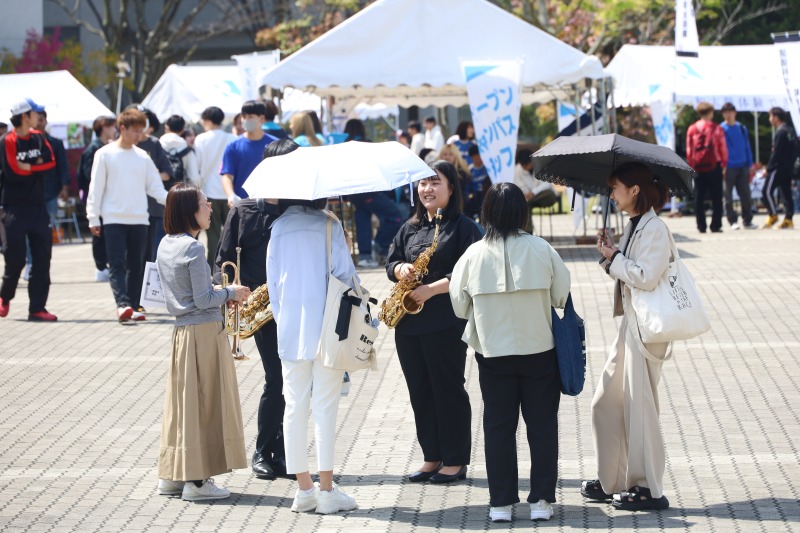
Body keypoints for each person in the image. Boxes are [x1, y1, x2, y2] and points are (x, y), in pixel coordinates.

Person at [450, 182, 570, 523]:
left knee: (498, 428)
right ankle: (541, 501)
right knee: (542, 427)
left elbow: (459, 306)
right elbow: (562, 295)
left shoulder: (473, 254)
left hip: (493, 353)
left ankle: (501, 502)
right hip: (539, 351)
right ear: (522, 212)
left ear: (487, 212)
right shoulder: (541, 248)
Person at [385, 160, 482, 485]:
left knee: (447, 389)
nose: (427, 188)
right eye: (423, 183)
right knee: (420, 391)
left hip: (445, 321)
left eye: (435, 182)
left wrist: (430, 290)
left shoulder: (464, 227)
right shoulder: (409, 226)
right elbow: (391, 260)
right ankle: (432, 456)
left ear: (451, 188)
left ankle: (455, 461)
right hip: (408, 325)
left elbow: (471, 271)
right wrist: (400, 269)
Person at [586, 161, 673, 511]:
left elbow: (646, 277)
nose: (611, 194)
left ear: (634, 190)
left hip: (647, 327)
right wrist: (610, 257)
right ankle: (613, 479)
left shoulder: (654, 228)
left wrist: (617, 257)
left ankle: (648, 488)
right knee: (606, 400)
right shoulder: (636, 226)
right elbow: (628, 272)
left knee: (640, 409)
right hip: (632, 325)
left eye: (615, 188)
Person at [155, 182, 249, 501]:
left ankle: (173, 474)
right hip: (203, 333)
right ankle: (197, 481)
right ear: (189, 211)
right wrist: (231, 293)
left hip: (182, 332)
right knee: (206, 403)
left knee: (183, 403)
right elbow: (203, 297)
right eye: (204, 203)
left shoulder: (166, 243)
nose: (210, 207)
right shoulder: (193, 247)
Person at [266, 196, 359, 515]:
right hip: (329, 330)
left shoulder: (278, 228)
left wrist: (286, 320)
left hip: (291, 330)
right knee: (325, 409)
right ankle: (328, 490)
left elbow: (272, 288)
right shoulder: (329, 226)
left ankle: (304, 488)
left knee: (293, 406)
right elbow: (348, 281)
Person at [214, 139, 299, 482]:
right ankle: (265, 452)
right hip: (261, 309)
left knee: (294, 382)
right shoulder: (244, 210)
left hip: (297, 306)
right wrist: (232, 294)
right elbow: (222, 261)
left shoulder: (302, 211)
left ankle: (284, 453)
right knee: (277, 379)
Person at [86, 109, 168, 322]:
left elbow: (156, 189)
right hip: (113, 218)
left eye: (141, 131)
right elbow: (96, 188)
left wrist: (176, 201)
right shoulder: (104, 154)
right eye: (135, 131)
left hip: (140, 218)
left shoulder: (143, 157)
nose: (139, 135)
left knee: (137, 264)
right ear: (122, 129)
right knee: (116, 263)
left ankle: (133, 305)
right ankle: (122, 304)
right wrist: (93, 218)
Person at [0, 98, 58, 321]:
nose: (38, 116)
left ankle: (37, 308)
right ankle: (5, 296)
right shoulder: (7, 140)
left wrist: (31, 167)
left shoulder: (38, 137)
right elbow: (13, 172)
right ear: (25, 116)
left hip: (38, 208)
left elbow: (50, 162)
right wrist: (36, 167)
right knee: (16, 259)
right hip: (13, 208)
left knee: (43, 258)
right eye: (35, 113)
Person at [344, 120, 405, 268]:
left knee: (362, 220)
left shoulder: (344, 146)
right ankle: (378, 245)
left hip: (353, 192)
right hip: (370, 190)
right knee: (395, 217)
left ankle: (365, 254)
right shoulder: (367, 144)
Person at [127, 106, 174, 265]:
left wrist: (149, 177)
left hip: (153, 208)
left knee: (151, 254)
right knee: (132, 256)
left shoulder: (153, 144)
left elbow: (167, 173)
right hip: (129, 209)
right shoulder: (118, 149)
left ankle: (148, 287)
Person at [194, 106, 237, 266]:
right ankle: (230, 265)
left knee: (212, 234)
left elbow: (197, 166)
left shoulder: (201, 139)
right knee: (231, 234)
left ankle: (213, 267)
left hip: (208, 194)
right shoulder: (232, 138)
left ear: (207, 120)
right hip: (229, 192)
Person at [77, 115, 117, 281]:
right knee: (98, 233)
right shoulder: (94, 149)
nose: (115, 130)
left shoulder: (108, 147)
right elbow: (88, 175)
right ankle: (101, 267)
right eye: (112, 127)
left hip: (107, 197)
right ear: (103, 128)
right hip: (97, 198)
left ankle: (103, 266)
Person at [221, 100, 278, 208]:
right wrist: (231, 195)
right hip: (243, 205)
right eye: (244, 116)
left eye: (250, 116)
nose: (246, 120)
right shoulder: (233, 146)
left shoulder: (275, 145)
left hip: (270, 205)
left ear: (261, 118)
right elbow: (226, 175)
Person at [686, 102, 728, 233]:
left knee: (699, 198)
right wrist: (724, 164)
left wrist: (692, 164)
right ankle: (715, 225)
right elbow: (722, 147)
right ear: (710, 112)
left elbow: (689, 149)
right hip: (714, 166)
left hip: (698, 166)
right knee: (717, 196)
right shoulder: (716, 128)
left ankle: (701, 225)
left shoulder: (692, 128)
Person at [720, 103, 756, 230]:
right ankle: (732, 221)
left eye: (730, 111)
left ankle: (747, 220)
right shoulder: (721, 128)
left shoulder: (742, 128)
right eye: (725, 112)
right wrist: (722, 165)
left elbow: (747, 147)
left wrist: (750, 164)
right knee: (728, 196)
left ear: (735, 112)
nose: (728, 114)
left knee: (746, 195)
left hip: (743, 166)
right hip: (728, 167)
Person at [762, 107, 796, 229]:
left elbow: (776, 153)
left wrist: (768, 169)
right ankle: (788, 219)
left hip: (778, 168)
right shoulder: (790, 130)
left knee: (766, 192)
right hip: (788, 168)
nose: (769, 119)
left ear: (776, 117)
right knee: (786, 194)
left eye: (770, 116)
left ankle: (773, 214)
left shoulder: (781, 132)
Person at [37, 111, 70, 225]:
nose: (38, 123)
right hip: (31, 193)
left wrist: (64, 188)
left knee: (49, 225)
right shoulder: (24, 143)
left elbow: (63, 166)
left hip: (51, 190)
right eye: (36, 120)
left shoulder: (56, 143)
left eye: (40, 120)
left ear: (46, 122)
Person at [438, 144, 478, 219]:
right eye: (445, 154)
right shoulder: (435, 174)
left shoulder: (463, 174)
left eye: (450, 154)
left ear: (456, 156)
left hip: (461, 211)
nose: (447, 157)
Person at [160, 114, 200, 186]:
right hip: (178, 192)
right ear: (183, 130)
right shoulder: (187, 149)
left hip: (159, 191)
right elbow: (194, 178)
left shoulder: (157, 145)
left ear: (166, 127)